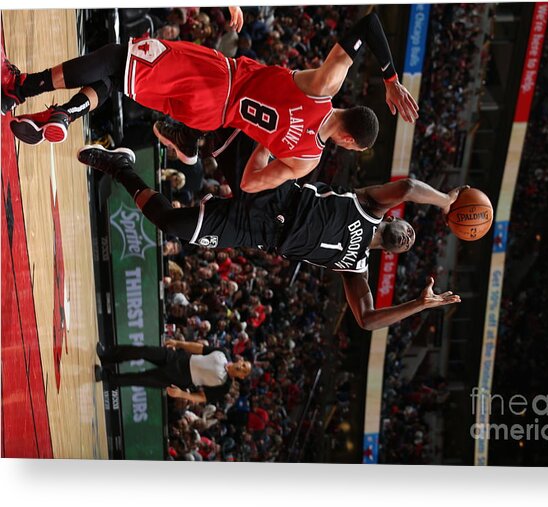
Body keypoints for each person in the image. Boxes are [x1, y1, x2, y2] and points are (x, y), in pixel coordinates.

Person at [2, 10, 418, 192]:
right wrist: (268, 142)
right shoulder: (306, 160)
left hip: (218, 77)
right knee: (118, 79)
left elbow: (369, 23)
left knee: (116, 58)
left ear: (350, 112)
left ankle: (20, 87)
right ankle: (64, 114)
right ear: (347, 141)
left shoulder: (324, 86)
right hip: (211, 117)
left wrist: (390, 80)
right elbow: (250, 182)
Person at [77, 144, 463, 331]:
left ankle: (120, 165)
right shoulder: (370, 205)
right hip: (275, 191)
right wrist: (445, 201)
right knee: (221, 136)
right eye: (411, 227)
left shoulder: (355, 269)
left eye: (411, 241)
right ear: (397, 217)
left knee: (170, 224)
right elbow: (410, 185)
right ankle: (187, 149)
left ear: (394, 252)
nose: (409, 234)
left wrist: (419, 304)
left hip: (258, 232)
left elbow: (366, 320)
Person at [95, 339, 251, 404]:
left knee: (141, 378)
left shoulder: (225, 385)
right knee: (143, 350)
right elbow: (200, 348)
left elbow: (203, 397)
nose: (242, 367)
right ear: (241, 360)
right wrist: (179, 343)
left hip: (181, 378)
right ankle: (107, 355)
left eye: (244, 370)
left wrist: (183, 395)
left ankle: (108, 377)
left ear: (241, 377)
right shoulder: (222, 352)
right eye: (244, 364)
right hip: (179, 358)